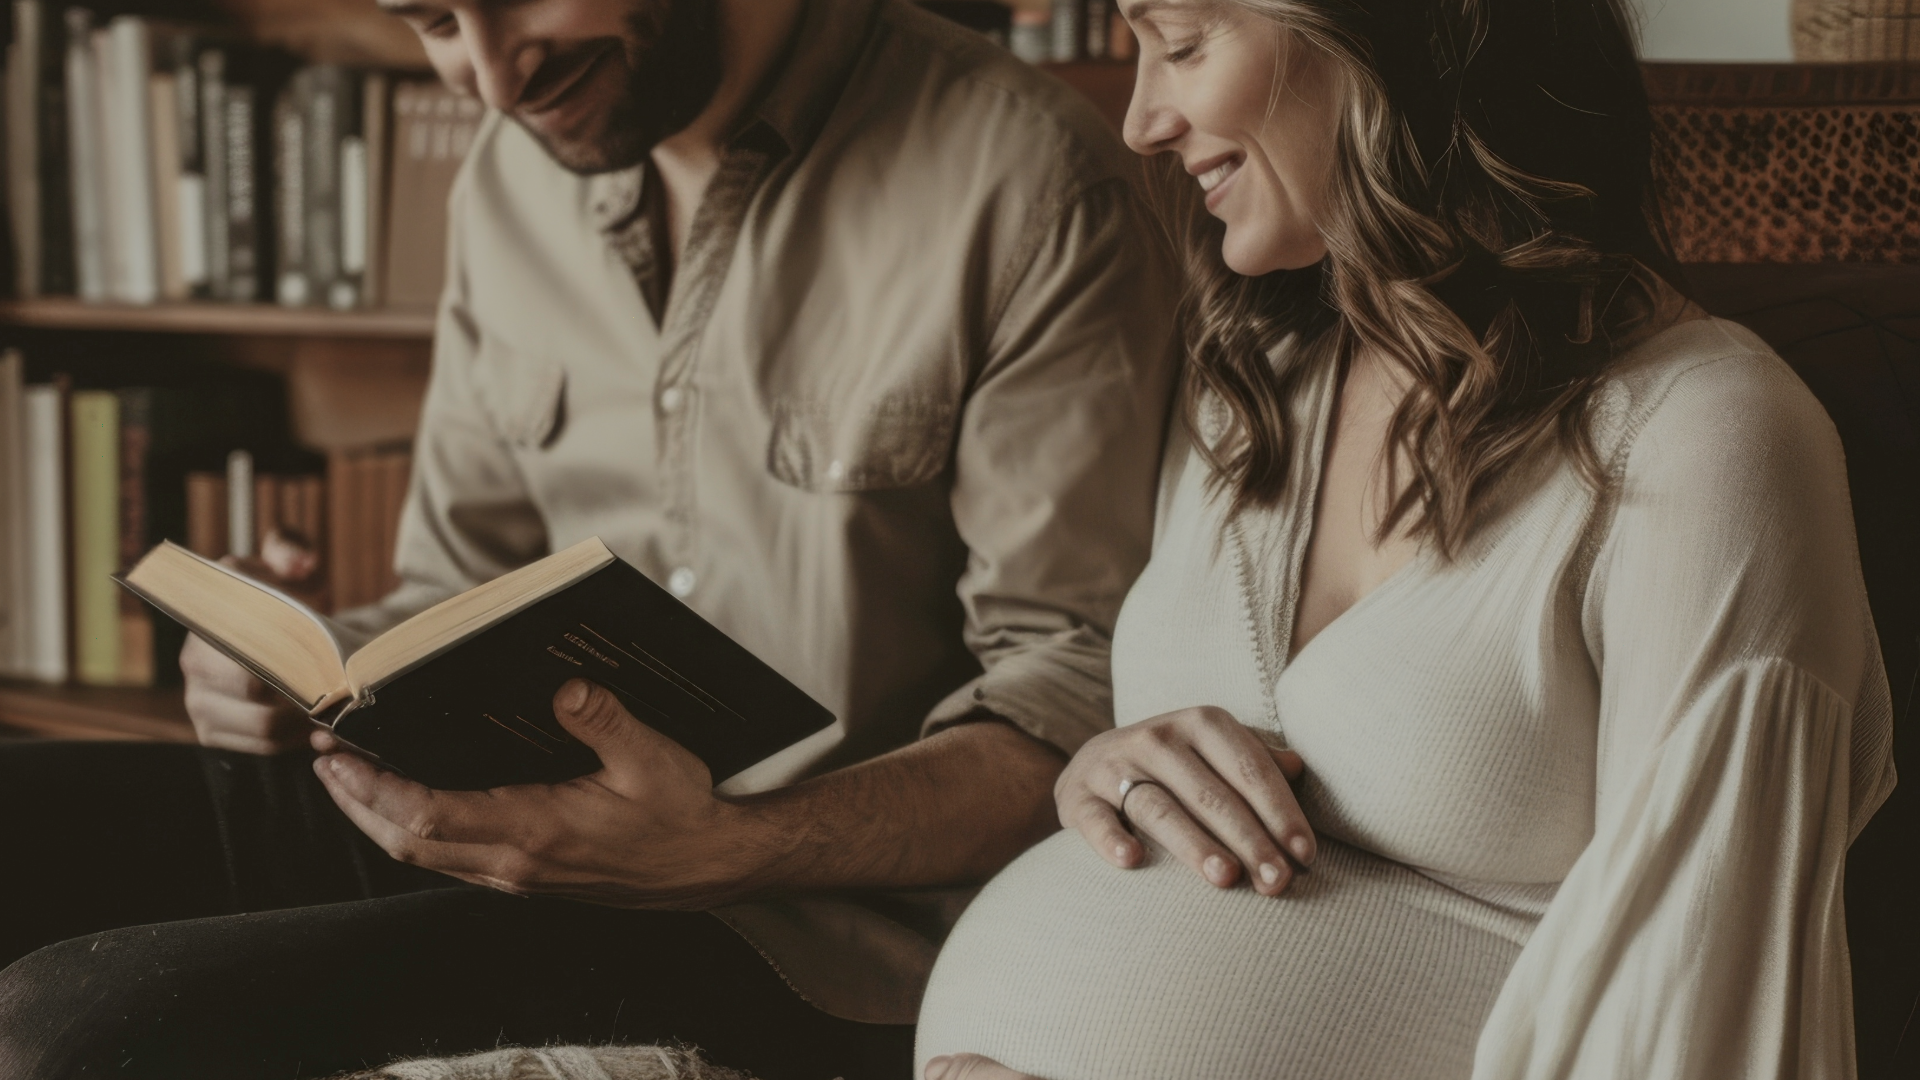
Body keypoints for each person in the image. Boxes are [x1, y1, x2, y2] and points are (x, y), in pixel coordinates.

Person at [0, 1, 1178, 1077]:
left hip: (815, 922)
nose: (494, 77)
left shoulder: (1029, 178)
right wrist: (304, 661)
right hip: (508, 825)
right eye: (433, 22)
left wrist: (736, 845)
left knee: (79, 1035)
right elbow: (456, 586)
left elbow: (1072, 702)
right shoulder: (512, 172)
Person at [914, 1, 1896, 1078]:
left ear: (1388, 34)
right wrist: (1105, 778)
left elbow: (1697, 1022)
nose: (1144, 120)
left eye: (1184, 44)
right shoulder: (1257, 380)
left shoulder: (1706, 439)